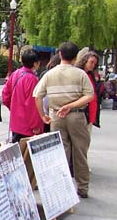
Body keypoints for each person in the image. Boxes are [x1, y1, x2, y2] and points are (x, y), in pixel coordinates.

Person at [33, 42, 95, 198]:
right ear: (76, 57)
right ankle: (82, 187)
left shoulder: (49, 74)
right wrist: (71, 105)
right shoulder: (80, 74)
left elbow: (37, 96)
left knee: (60, 152)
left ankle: (60, 187)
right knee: (80, 152)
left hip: (56, 116)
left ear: (60, 54)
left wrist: (43, 115)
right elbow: (90, 96)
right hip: (76, 115)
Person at [1, 49, 44, 142]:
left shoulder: (15, 73)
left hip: (15, 122)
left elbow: (5, 95)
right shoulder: (32, 79)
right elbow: (32, 104)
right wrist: (36, 125)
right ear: (35, 63)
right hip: (27, 126)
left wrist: (13, 108)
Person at [75, 50, 104, 131]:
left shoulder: (91, 75)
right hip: (82, 112)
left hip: (90, 112)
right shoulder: (79, 74)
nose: (93, 65)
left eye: (95, 64)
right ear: (85, 61)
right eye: (91, 62)